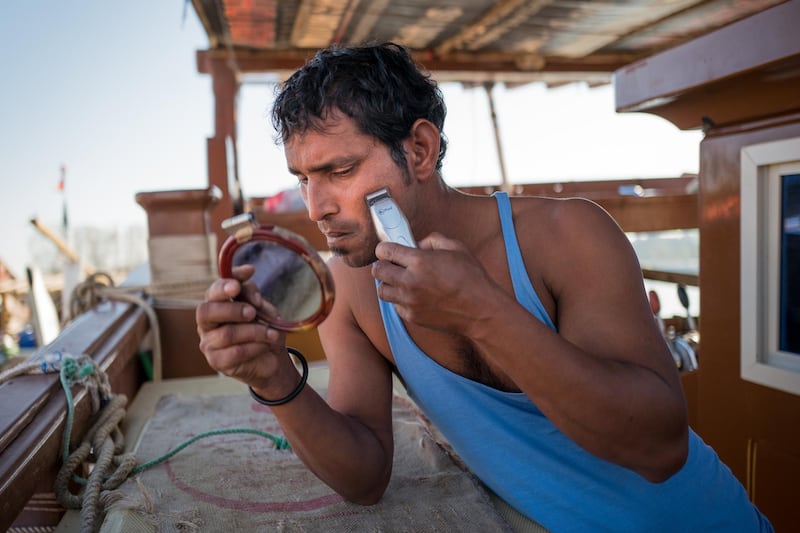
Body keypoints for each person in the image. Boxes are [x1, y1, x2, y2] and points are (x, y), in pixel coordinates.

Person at [196, 42, 773, 532]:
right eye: (303, 178)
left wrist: (482, 314)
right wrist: (273, 379)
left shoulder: (567, 235)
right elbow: (364, 475)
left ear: (419, 150)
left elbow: (660, 447)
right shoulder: (354, 285)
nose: (317, 207)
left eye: (340, 171)